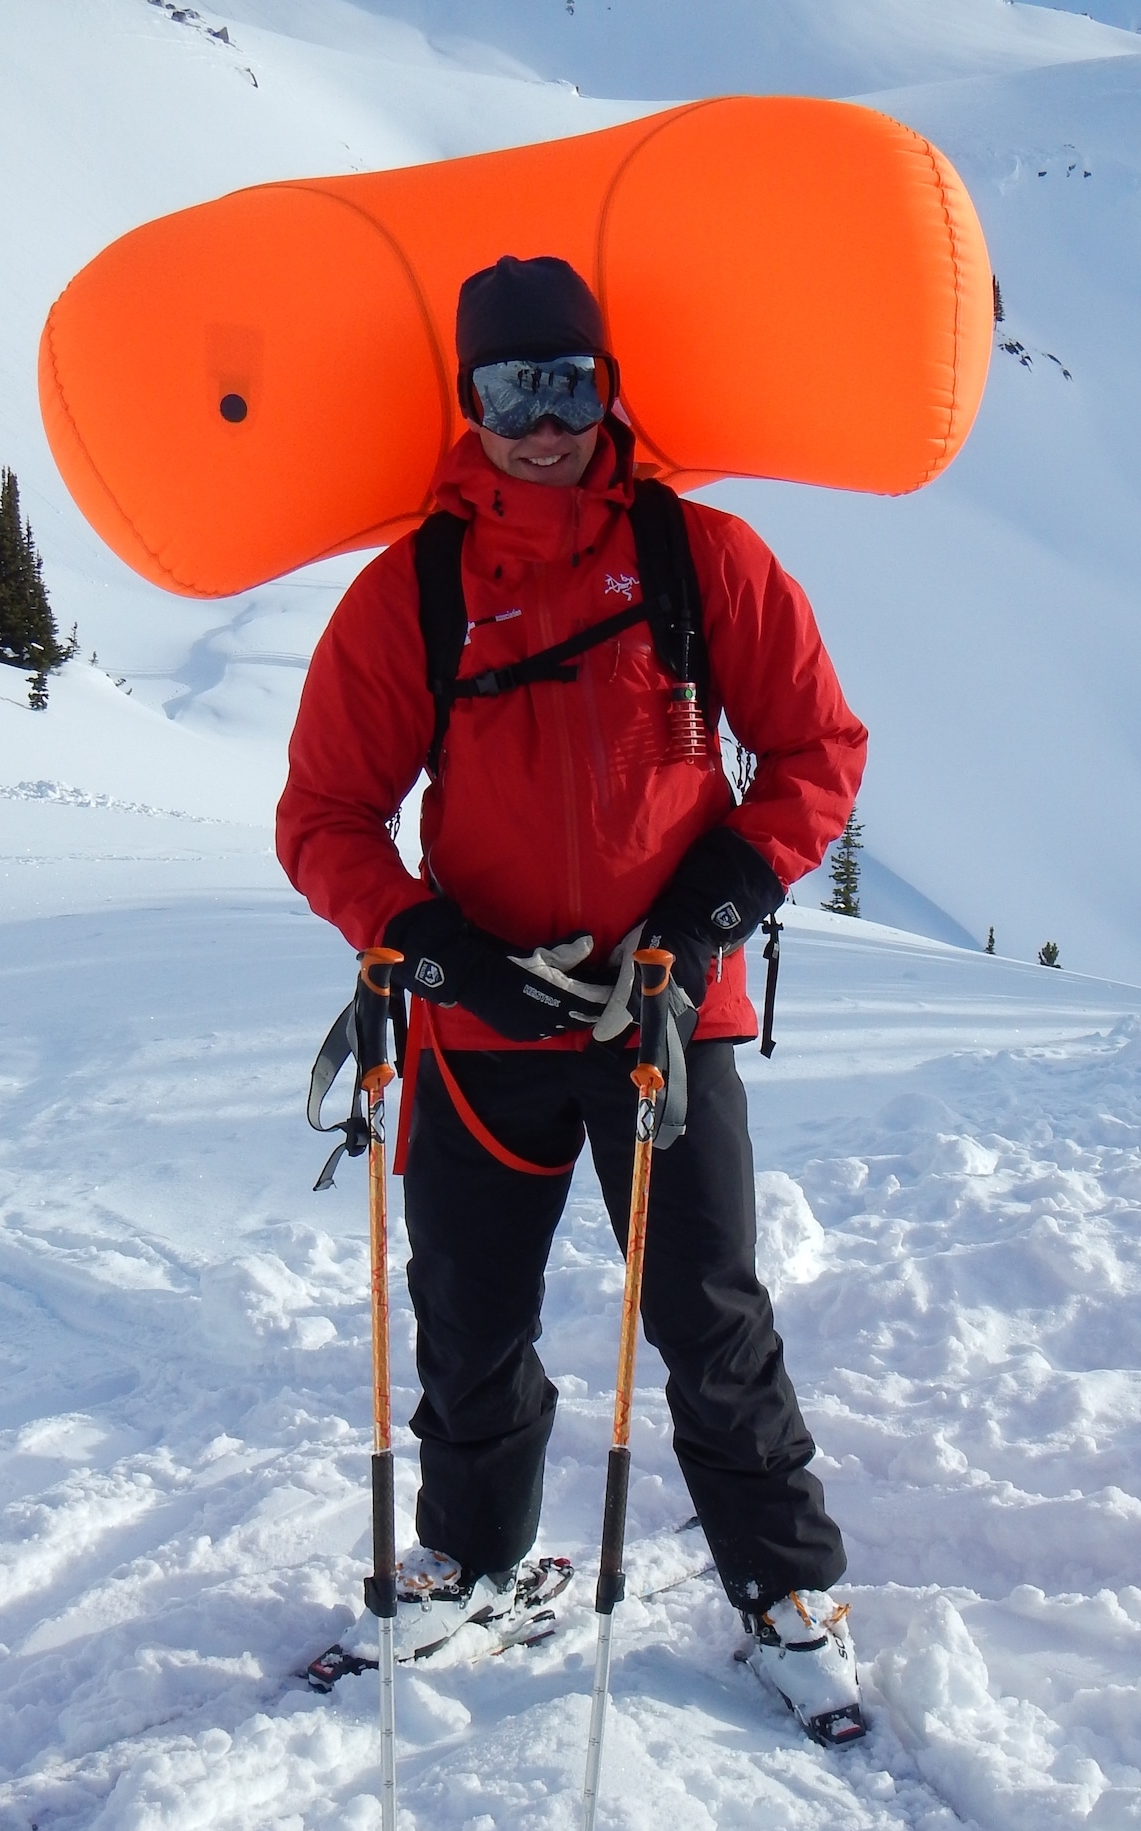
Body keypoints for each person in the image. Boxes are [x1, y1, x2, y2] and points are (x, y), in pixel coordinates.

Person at [277, 254, 869, 1744]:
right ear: (468, 402)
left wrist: (712, 909)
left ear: (611, 389)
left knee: (709, 1313)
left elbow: (816, 752)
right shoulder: (414, 588)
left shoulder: (698, 557)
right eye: (509, 390)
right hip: (482, 1030)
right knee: (469, 1313)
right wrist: (428, 946)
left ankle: (787, 1592)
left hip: (665, 1014)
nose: (543, 423)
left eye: (570, 385)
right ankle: (477, 1561)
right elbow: (326, 813)